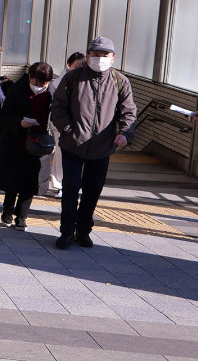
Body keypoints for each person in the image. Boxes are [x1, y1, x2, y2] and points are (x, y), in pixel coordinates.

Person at [51, 36, 136, 250]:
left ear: (113, 57)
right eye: (95, 55)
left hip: (102, 147)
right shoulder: (73, 77)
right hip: (72, 145)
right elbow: (58, 107)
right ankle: (67, 232)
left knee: (93, 190)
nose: (99, 59)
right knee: (70, 187)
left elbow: (128, 111)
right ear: (88, 56)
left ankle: (84, 231)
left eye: (104, 55)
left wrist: (125, 133)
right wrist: (69, 130)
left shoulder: (119, 81)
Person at [0, 62, 54, 231]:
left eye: (44, 85)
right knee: (13, 180)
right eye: (36, 83)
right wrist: (19, 122)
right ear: (30, 77)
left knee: (30, 182)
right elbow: (3, 118)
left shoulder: (49, 94)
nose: (39, 88)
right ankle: (7, 211)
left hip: (37, 145)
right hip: (16, 142)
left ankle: (22, 217)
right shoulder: (16, 90)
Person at [46, 52, 86, 193]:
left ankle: (61, 183)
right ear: (69, 65)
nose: (78, 68)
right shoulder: (61, 80)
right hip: (62, 125)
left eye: (81, 65)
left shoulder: (80, 78)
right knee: (62, 153)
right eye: (76, 65)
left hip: (72, 125)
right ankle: (61, 184)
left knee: (63, 153)